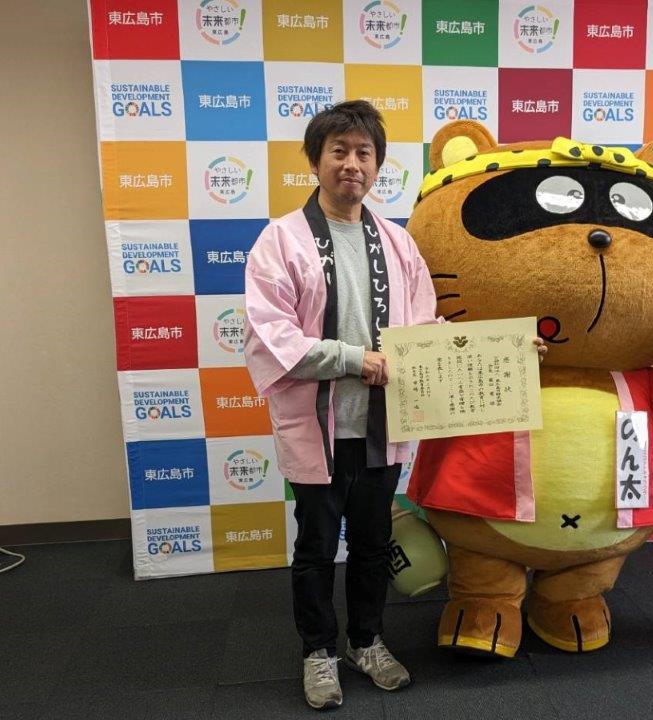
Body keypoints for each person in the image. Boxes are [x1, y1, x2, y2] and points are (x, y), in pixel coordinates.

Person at [243, 100, 439, 709]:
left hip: (382, 426)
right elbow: (271, 335)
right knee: (316, 548)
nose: (352, 164)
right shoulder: (281, 240)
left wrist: (503, 351)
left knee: (375, 544)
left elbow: (425, 327)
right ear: (315, 160)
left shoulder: (398, 243)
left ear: (377, 166)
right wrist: (354, 359)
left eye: (364, 153)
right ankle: (318, 651)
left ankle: (366, 640)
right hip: (319, 427)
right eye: (339, 151)